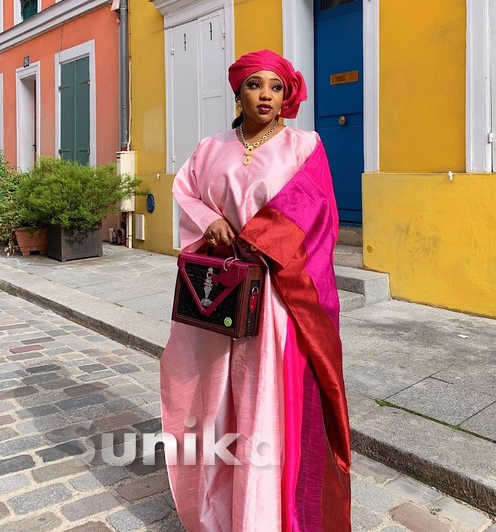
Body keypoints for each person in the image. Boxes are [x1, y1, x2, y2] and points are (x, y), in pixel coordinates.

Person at [160, 49, 351, 532]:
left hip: (277, 296)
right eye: (255, 85)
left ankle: (263, 512)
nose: (265, 94)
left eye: (276, 87)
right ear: (238, 91)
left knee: (266, 397)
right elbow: (186, 194)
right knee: (213, 395)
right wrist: (211, 222)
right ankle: (217, 502)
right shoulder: (209, 147)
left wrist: (256, 239)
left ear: (287, 96)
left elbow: (316, 212)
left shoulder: (304, 146)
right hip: (220, 292)